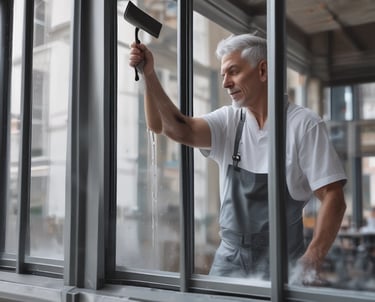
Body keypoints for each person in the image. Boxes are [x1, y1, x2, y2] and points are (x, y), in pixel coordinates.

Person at [129, 33, 347, 281]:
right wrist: (149, 74)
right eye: (223, 75)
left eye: (233, 71)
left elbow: (333, 197)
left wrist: (312, 257)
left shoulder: (304, 125)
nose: (225, 83)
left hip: (281, 259)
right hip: (230, 257)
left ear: (263, 70)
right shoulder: (230, 120)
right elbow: (179, 129)